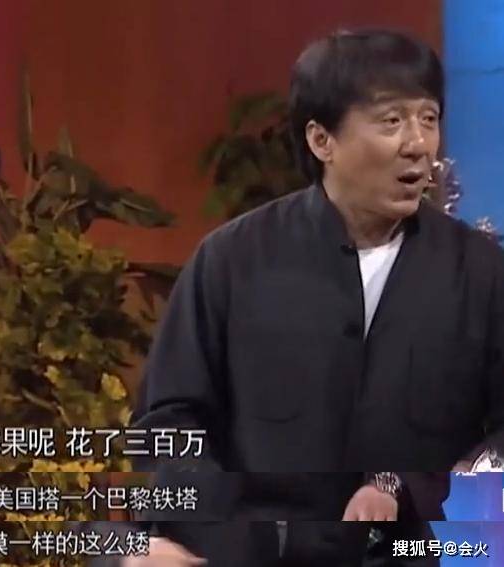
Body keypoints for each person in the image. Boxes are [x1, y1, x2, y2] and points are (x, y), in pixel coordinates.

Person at [116, 27, 504, 566]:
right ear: (322, 141)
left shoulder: (479, 271)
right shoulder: (232, 260)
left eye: (429, 118)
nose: (417, 143)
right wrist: (211, 527)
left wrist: (405, 483)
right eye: (392, 121)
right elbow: (169, 419)